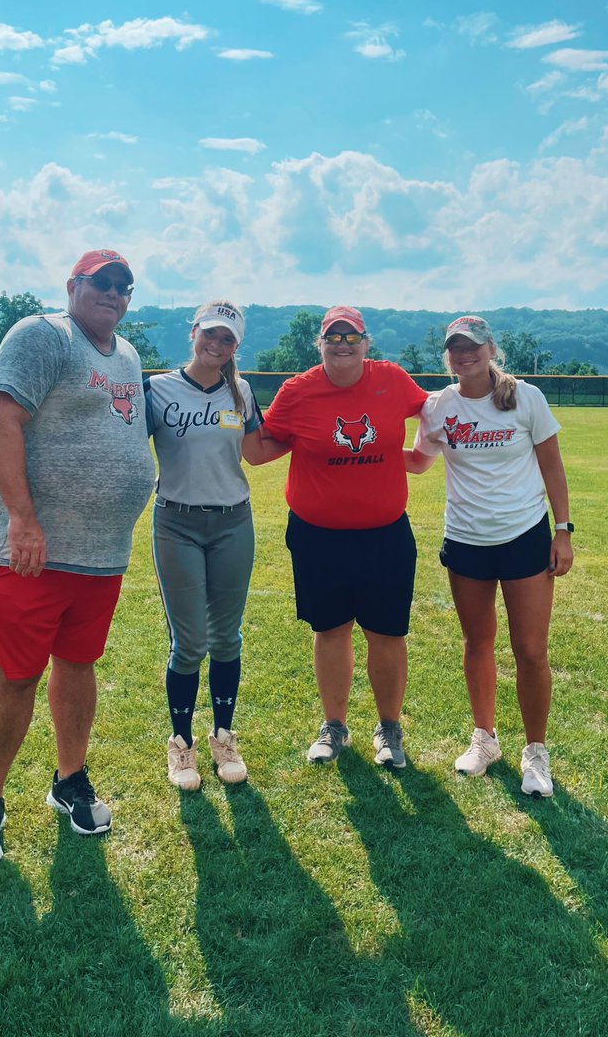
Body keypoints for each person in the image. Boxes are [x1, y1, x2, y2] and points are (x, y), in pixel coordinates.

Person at [0, 250, 156, 868]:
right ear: (74, 286)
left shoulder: (126, 354)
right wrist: (22, 519)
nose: (115, 294)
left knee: (79, 665)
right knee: (17, 675)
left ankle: (70, 779)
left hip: (101, 557)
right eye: (103, 282)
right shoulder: (43, 334)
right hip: (35, 554)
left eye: (125, 287)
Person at [405, 315, 574, 798]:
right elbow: (419, 462)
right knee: (477, 643)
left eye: (473, 346)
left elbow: (552, 465)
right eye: (455, 348)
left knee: (531, 650)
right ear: (448, 354)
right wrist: (363, 452)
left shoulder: (526, 397)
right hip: (465, 540)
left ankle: (536, 753)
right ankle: (485, 739)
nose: (464, 354)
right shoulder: (438, 406)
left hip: (524, 537)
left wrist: (563, 531)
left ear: (490, 348)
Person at [258, 306, 429, 769]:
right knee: (330, 630)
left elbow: (438, 410)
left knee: (387, 633)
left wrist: (422, 455)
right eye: (333, 337)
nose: (342, 345)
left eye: (351, 337)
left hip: (385, 535)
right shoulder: (298, 390)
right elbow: (266, 441)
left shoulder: (391, 379)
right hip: (318, 536)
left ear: (366, 343)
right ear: (321, 344)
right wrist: (224, 424)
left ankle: (389, 729)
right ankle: (334, 726)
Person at [145, 301, 272, 789]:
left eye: (227, 339)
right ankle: (181, 744)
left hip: (232, 523)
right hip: (176, 523)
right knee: (190, 642)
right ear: (194, 332)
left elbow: (257, 451)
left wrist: (317, 437)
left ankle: (223, 735)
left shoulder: (239, 391)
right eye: (210, 334)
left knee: (226, 636)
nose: (216, 345)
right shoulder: (157, 388)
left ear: (236, 346)